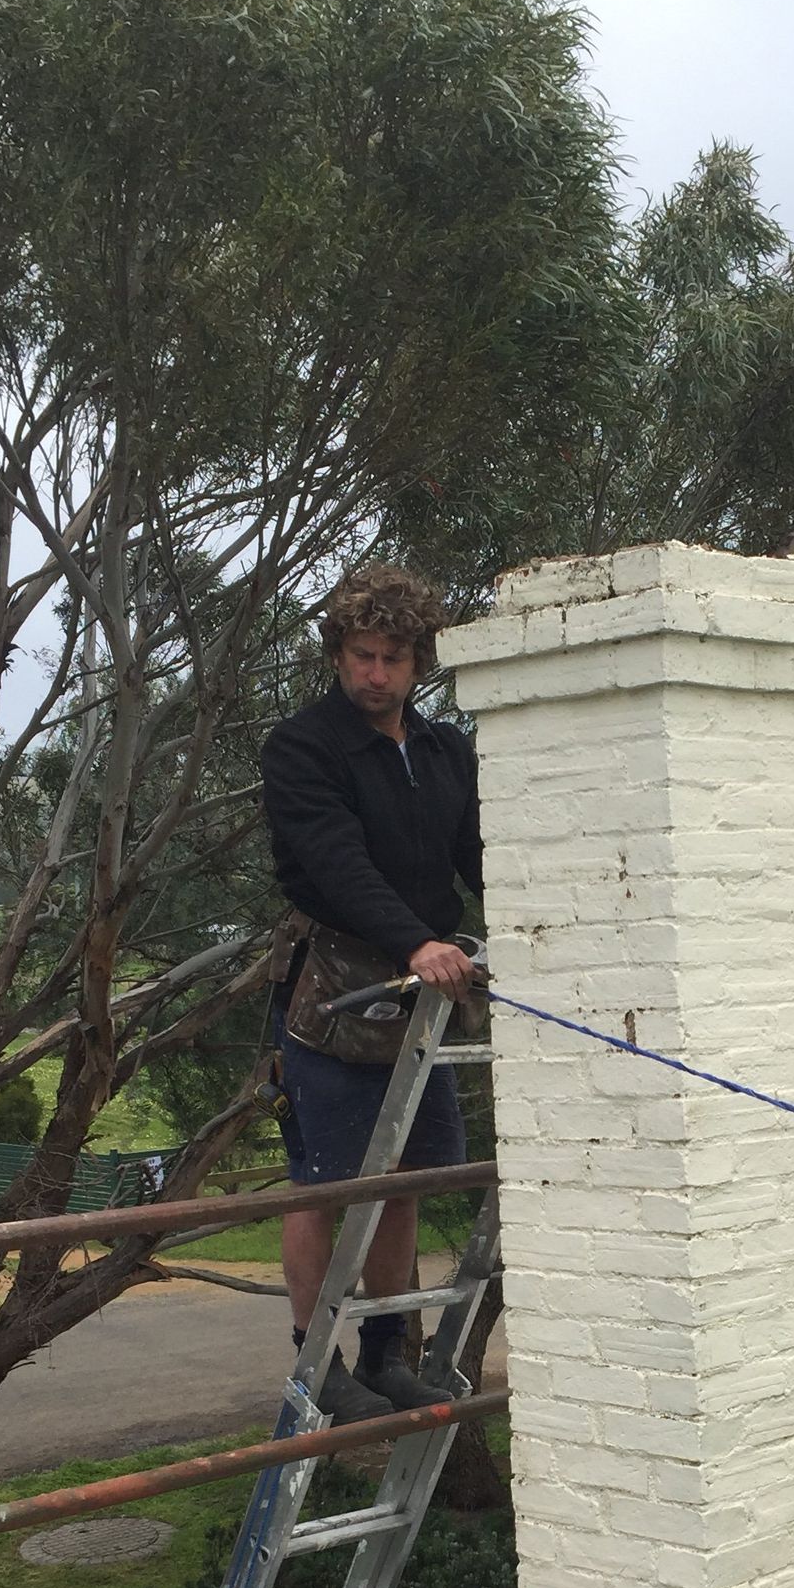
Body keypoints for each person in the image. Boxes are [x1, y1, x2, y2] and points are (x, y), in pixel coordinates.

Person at [260, 565, 481, 1424]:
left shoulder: (443, 750)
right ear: (337, 654)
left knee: (405, 1176)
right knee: (325, 1183)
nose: (375, 673)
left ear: (418, 661)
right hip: (335, 987)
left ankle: (388, 1353)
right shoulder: (303, 748)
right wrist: (415, 941)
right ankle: (317, 1365)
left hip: (422, 989)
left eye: (392, 657)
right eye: (361, 655)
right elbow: (335, 864)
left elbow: (481, 855)